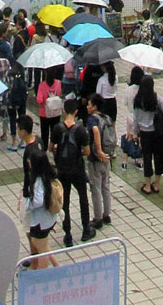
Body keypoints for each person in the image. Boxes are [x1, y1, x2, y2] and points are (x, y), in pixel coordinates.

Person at [51, 98, 95, 247]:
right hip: (77, 169)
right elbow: (87, 151)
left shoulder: (57, 129)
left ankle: (68, 235)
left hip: (62, 170)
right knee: (83, 198)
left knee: (65, 201)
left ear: (64, 111)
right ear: (76, 112)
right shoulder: (81, 130)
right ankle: (85, 230)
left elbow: (50, 147)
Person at [133, 75, 163, 195]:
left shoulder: (137, 100)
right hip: (157, 131)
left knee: (147, 157)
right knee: (159, 156)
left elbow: (135, 119)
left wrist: (135, 133)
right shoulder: (156, 97)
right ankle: (156, 184)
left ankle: (147, 185)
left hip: (144, 133)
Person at [26, 151, 60, 268]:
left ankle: (43, 273)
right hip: (49, 219)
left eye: (30, 160)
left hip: (40, 222)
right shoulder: (49, 176)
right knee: (43, 245)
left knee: (41, 249)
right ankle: (57, 266)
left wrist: (28, 205)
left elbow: (38, 201)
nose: (28, 162)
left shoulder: (38, 182)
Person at [86, 94, 112, 230]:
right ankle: (107, 214)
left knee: (95, 189)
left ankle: (98, 219)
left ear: (95, 107)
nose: (87, 107)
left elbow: (95, 131)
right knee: (105, 186)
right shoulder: (107, 118)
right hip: (107, 157)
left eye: (89, 104)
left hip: (96, 159)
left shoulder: (92, 119)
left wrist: (99, 150)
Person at [17, 114, 44, 201]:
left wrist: (26, 191)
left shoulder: (29, 151)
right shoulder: (38, 140)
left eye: (18, 129)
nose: (17, 131)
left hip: (35, 189)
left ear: (23, 132)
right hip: (44, 183)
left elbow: (28, 173)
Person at [37, 69, 63, 150]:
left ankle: (44, 148)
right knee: (55, 132)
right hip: (56, 112)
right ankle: (54, 148)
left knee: (44, 132)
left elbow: (39, 100)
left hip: (44, 113)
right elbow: (59, 94)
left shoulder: (42, 85)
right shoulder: (58, 83)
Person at [6, 64, 28, 151]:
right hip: (22, 100)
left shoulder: (9, 73)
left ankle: (14, 142)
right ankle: (22, 141)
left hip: (12, 101)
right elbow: (26, 85)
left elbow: (7, 86)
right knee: (22, 119)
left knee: (12, 119)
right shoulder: (24, 72)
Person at [123, 66, 144, 143]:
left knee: (130, 140)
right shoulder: (144, 89)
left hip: (131, 117)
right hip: (142, 118)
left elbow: (125, 102)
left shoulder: (128, 89)